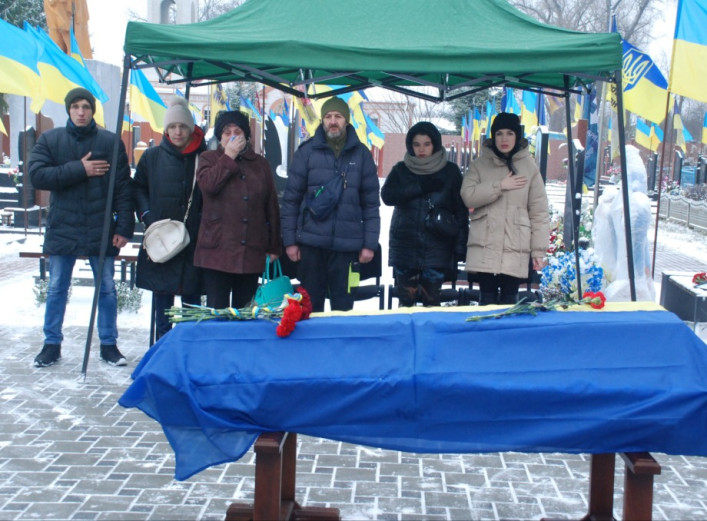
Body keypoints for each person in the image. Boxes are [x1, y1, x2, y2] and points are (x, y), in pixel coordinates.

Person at [29, 87, 134, 367]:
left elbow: (123, 188)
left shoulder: (110, 142)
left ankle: (109, 345)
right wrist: (79, 169)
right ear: (68, 110)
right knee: (57, 287)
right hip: (63, 226)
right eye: (75, 106)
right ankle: (51, 344)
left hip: (101, 226)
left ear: (92, 110)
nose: (80, 112)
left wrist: (124, 226)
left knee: (107, 289)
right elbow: (37, 175)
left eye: (86, 106)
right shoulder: (51, 139)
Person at [280, 97, 380, 313]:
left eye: (338, 116)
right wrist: (290, 242)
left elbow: (371, 205)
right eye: (328, 116)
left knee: (343, 311)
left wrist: (369, 244)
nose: (333, 121)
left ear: (346, 120)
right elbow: (291, 201)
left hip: (348, 249)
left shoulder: (362, 155)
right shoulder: (306, 152)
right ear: (322, 120)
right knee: (309, 310)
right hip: (311, 246)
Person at [133, 97, 206, 340]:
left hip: (194, 240)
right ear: (166, 129)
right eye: (173, 126)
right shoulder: (151, 157)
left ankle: (189, 348)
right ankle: (162, 346)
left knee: (192, 302)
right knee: (162, 301)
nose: (177, 132)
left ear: (191, 128)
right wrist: (147, 216)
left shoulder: (204, 157)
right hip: (161, 238)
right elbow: (138, 188)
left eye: (182, 126)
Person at [193, 111, 282, 309]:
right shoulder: (208, 158)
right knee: (218, 313)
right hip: (216, 252)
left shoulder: (260, 164)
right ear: (220, 137)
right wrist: (229, 156)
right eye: (227, 132)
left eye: (237, 132)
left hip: (250, 249)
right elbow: (208, 186)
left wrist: (274, 246)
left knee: (245, 312)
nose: (232, 136)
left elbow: (271, 206)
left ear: (246, 136)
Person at [461, 112, 549, 305]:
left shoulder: (529, 168)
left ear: (517, 136)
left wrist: (538, 251)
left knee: (510, 304)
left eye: (510, 133)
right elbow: (468, 196)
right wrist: (499, 186)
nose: (504, 139)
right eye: (499, 133)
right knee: (486, 303)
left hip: (515, 247)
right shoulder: (479, 165)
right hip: (484, 246)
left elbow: (539, 213)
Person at [381, 122, 468, 307]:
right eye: (417, 144)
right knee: (405, 303)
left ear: (435, 144)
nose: (421, 149)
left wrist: (460, 247)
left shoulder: (450, 172)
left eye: (426, 144)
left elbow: (461, 211)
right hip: (405, 246)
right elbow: (387, 196)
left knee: (432, 303)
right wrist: (419, 187)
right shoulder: (401, 169)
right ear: (410, 146)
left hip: (438, 247)